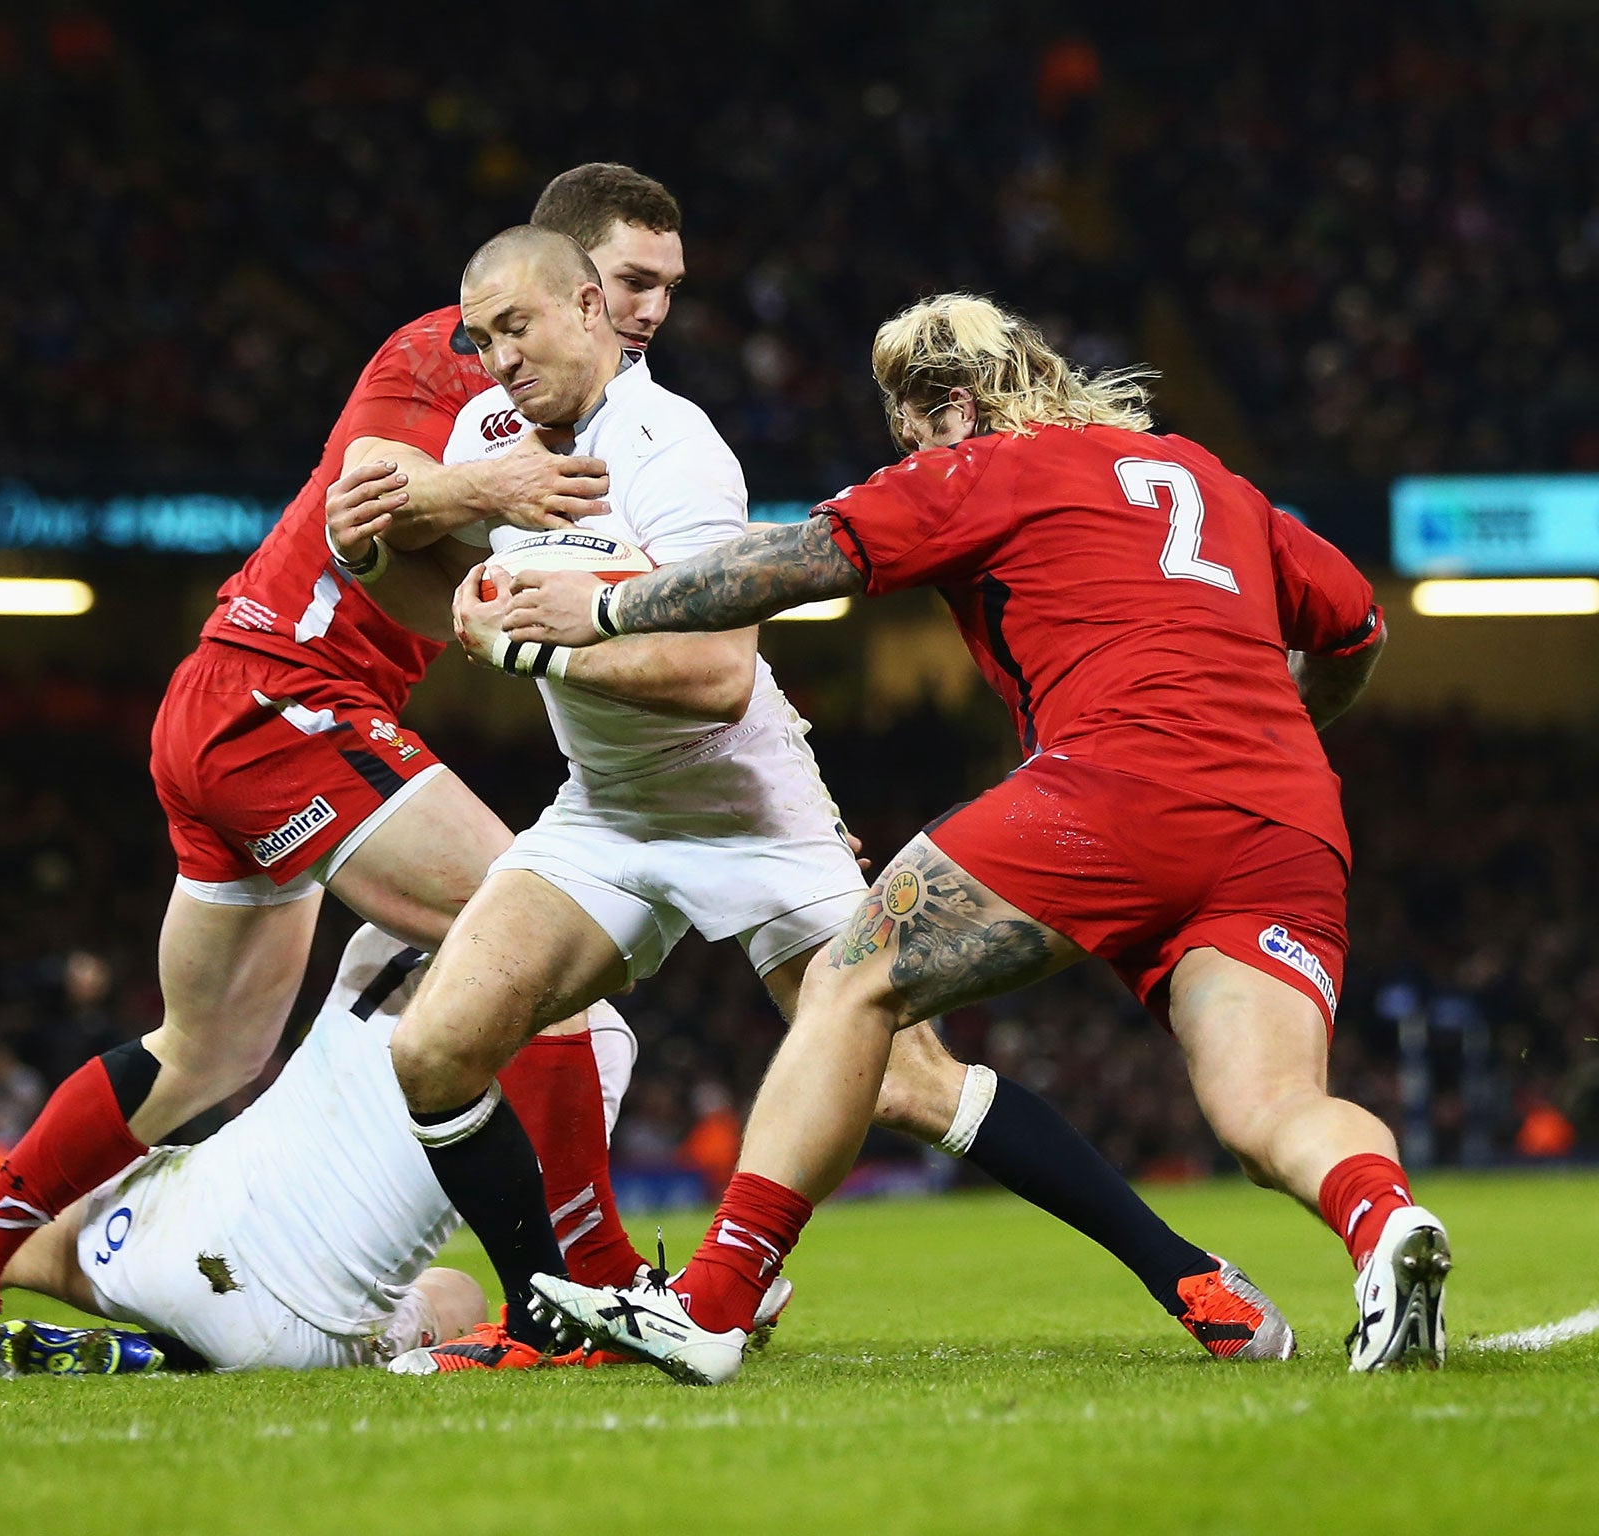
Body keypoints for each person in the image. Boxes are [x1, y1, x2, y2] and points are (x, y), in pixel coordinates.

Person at [337, 233, 1291, 1374]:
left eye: (514, 329)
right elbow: (452, 600)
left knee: (908, 1080)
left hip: (747, 807)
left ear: (583, 311)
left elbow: (714, 674)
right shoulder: (485, 440)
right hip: (605, 809)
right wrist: (369, 554)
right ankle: (550, 1319)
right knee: (434, 1053)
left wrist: (531, 655)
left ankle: (1188, 1274)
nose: (494, 359)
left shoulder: (670, 448)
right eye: (478, 337)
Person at [507, 293, 1448, 1379]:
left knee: (851, 985)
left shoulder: (981, 467)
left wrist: (608, 608)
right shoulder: (1204, 477)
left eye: (907, 424)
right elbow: (1352, 629)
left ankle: (712, 1304)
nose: (902, 448)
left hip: (1115, 784)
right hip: (1284, 818)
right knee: (1271, 1108)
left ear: (951, 404)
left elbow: (800, 560)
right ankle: (1383, 1226)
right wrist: (1261, 738)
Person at [0, 164, 693, 1377]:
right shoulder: (445, 355)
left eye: (668, 289)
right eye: (627, 281)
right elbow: (362, 504)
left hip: (242, 703)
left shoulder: (607, 404)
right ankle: (587, 1286)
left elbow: (499, 569)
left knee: (204, 1053)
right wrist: (491, 488)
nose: (648, 310)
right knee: (535, 934)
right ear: (558, 273)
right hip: (280, 695)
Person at [0, 927, 586, 1384]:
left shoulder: (375, 945)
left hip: (174, 1233)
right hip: (296, 1340)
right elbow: (566, 1220)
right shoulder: (586, 1043)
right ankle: (164, 1359)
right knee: (460, 1294)